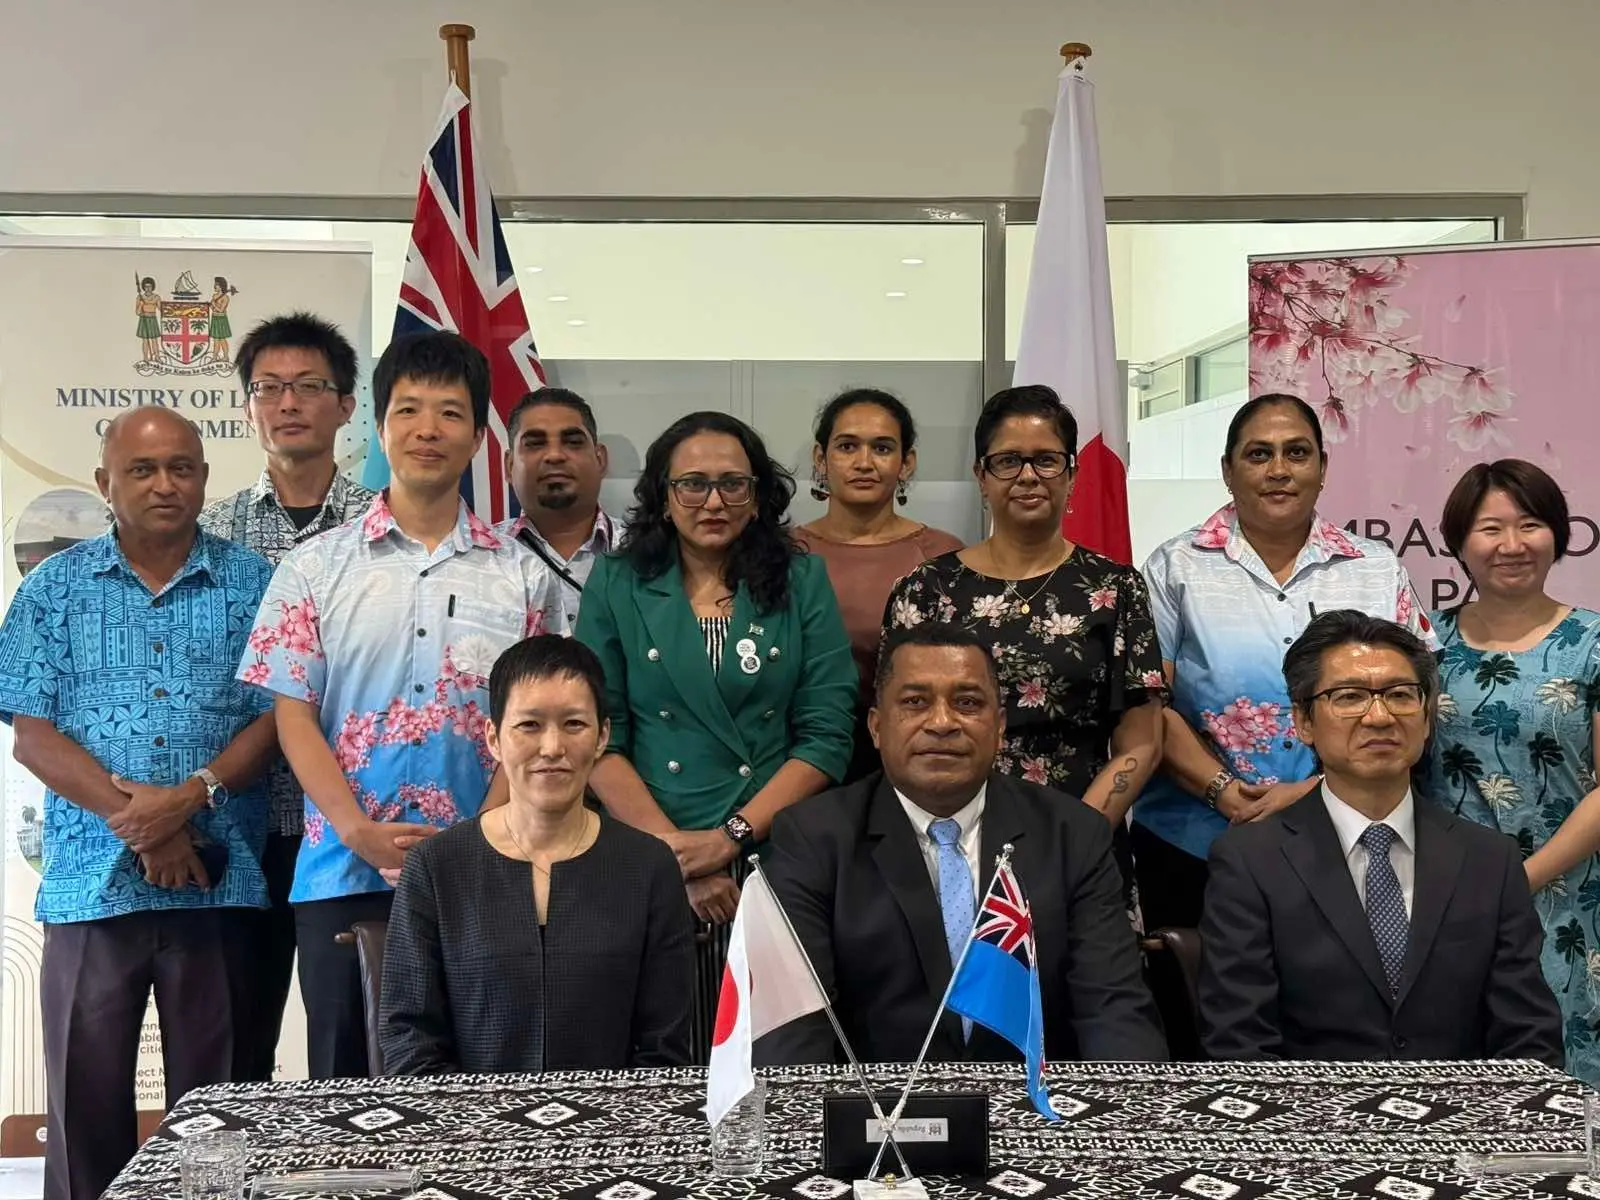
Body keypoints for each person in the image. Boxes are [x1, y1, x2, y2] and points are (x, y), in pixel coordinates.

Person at [239, 330, 568, 1079]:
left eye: (450, 413)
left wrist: (485, 833)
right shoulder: (314, 566)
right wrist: (355, 829)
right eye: (409, 410)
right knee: (345, 1089)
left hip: (491, 866)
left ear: (478, 434)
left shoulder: (521, 575)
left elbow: (536, 723)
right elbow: (295, 713)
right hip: (341, 870)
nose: (428, 430)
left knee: (484, 1083)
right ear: (380, 426)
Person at [0, 409, 278, 1200]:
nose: (166, 484)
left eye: (183, 468)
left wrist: (189, 798)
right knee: (82, 1098)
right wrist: (145, 825)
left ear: (203, 477)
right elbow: (32, 734)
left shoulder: (253, 583)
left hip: (218, 880)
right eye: (144, 470)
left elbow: (278, 716)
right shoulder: (54, 587)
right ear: (104, 484)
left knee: (215, 1113)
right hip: (91, 886)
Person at [575, 410, 855, 1062]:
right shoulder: (617, 583)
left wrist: (729, 839)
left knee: (779, 1055)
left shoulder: (802, 580)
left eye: (734, 484)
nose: (713, 501)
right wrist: (676, 854)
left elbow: (826, 733)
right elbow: (597, 734)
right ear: (662, 497)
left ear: (759, 496)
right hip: (646, 852)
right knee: (660, 1051)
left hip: (776, 847)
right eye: (692, 485)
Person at [757, 623, 1167, 1066]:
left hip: (1036, 1112)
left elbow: (1114, 1010)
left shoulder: (1072, 834)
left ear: (1000, 727)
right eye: (915, 703)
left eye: (967, 703)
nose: (941, 723)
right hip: (876, 1117)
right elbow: (792, 1026)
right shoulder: (813, 838)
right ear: (876, 727)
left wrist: (1126, 1120)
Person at [1199, 610, 1563, 1065]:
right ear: (1303, 722)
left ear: (1427, 718)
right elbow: (1240, 1044)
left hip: (1462, 1125)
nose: (1379, 716)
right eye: (1349, 696)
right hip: (1311, 1126)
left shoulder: (1490, 859)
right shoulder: (1250, 861)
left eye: (1400, 695)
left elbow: (1529, 1038)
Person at [1136, 393, 1436, 933]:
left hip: (1348, 836)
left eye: (1297, 453)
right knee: (1202, 1009)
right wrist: (1223, 793)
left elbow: (1418, 697)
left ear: (1323, 468)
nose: (1279, 470)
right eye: (1258, 454)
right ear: (1228, 471)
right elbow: (1148, 705)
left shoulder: (1374, 568)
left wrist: (1313, 793)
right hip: (1195, 840)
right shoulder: (1174, 566)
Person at [884, 385, 1164, 889]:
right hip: (946, 842)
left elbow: (1140, 741)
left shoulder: (1116, 588)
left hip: (1079, 842)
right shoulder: (925, 589)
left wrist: (1073, 839)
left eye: (1046, 460)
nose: (1029, 476)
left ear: (1073, 474)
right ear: (981, 477)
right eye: (1008, 461)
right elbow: (899, 728)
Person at [380, 636, 693, 1074]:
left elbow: (665, 1047)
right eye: (529, 725)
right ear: (493, 737)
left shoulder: (648, 868)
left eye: (574, 725)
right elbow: (408, 1039)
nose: (551, 748)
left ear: (603, 735)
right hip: (472, 1134)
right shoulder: (436, 867)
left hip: (611, 1131)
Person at [199, 311, 376, 1083]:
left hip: (348, 826)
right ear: (247, 408)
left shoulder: (380, 530)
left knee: (358, 1041)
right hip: (239, 824)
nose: (288, 403)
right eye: (268, 388)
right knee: (237, 1042)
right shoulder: (209, 531)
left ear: (346, 405)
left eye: (309, 386)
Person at [1418, 459, 1600, 1084]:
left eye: (1530, 525)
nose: (1512, 545)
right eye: (1490, 528)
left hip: (1566, 899)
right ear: (1459, 542)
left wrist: (1517, 882)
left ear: (1558, 533)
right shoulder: (1423, 646)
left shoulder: (1593, 643)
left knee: (1561, 1087)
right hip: (1440, 897)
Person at [795, 388, 962, 782]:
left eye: (882, 448)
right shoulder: (781, 555)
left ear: (907, 463)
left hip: (915, 762)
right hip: (795, 761)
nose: (864, 462)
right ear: (821, 458)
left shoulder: (942, 557)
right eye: (848, 446)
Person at [498, 386, 626, 629]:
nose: (555, 455)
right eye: (535, 444)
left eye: (573, 442)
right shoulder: (480, 556)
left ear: (600, 459)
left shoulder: (648, 552)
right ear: (509, 465)